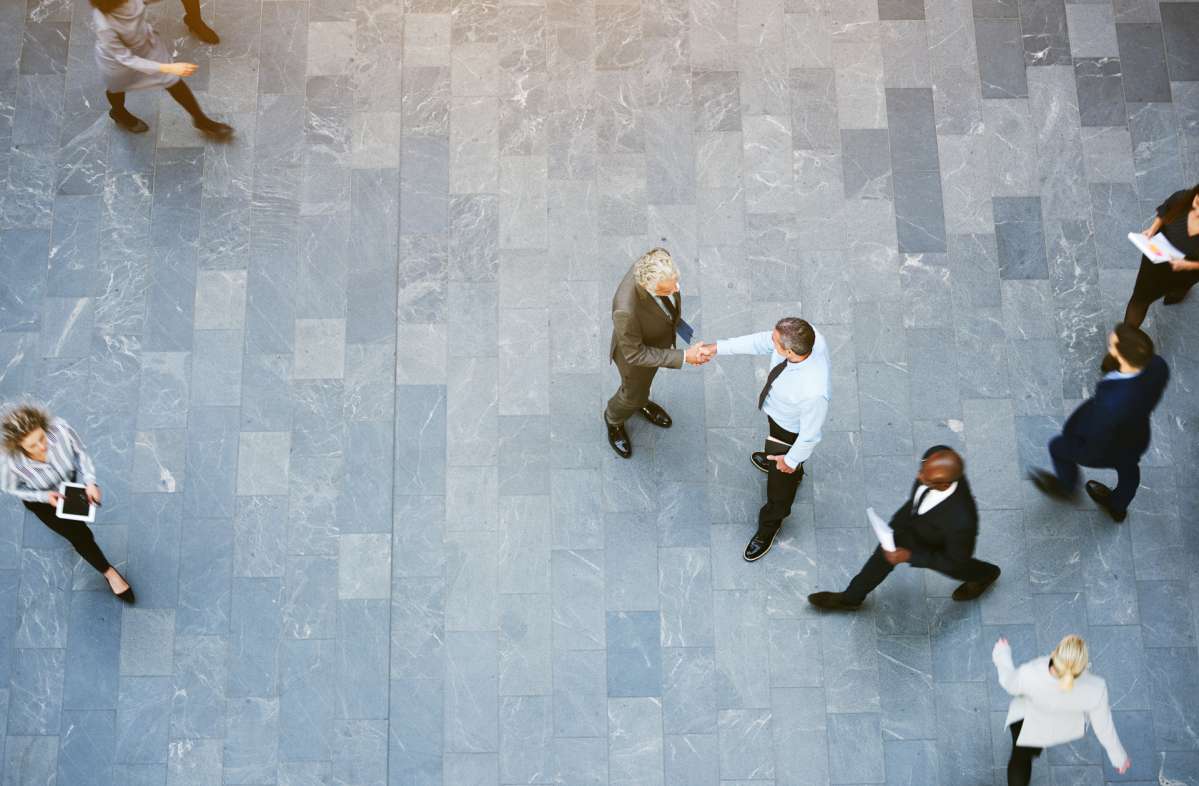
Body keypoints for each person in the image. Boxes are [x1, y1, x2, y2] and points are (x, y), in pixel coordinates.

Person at [808, 446, 1000, 610]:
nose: (919, 475)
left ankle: (986, 574)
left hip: (939, 541)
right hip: (909, 526)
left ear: (944, 484)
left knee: (958, 567)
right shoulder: (935, 457)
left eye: (925, 477)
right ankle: (851, 598)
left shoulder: (961, 520)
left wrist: (909, 556)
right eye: (922, 469)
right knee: (881, 557)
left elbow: (953, 560)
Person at [704, 318, 830, 561]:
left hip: (791, 433)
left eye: (775, 342)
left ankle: (769, 527)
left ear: (790, 352)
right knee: (778, 456)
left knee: (779, 488)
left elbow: (810, 434)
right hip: (779, 416)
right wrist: (717, 347)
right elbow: (760, 341)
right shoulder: (807, 335)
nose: (769, 342)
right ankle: (785, 466)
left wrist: (791, 460)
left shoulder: (813, 391)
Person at [1028, 323, 1168, 522]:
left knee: (1057, 447)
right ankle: (1118, 507)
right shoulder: (1158, 366)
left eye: (1112, 343)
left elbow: (1097, 438)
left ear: (1121, 355)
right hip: (1136, 437)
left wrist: (1081, 449)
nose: (1109, 340)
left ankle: (1067, 487)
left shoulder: (1112, 403)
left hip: (1105, 446)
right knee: (1129, 470)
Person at [0, 405, 134, 603]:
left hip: (69, 485)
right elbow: (13, 489)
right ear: (20, 447)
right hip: (44, 502)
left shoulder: (60, 429)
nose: (42, 447)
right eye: (32, 446)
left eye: (41, 438)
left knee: (80, 528)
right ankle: (109, 573)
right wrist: (44, 497)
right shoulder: (10, 463)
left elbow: (81, 452)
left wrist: (89, 482)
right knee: (80, 536)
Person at [604, 248, 714, 459]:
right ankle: (614, 418)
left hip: (656, 340)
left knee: (644, 386)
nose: (675, 290)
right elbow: (634, 354)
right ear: (647, 286)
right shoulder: (624, 311)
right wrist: (684, 356)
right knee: (631, 394)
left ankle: (642, 402)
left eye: (676, 283)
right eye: (667, 291)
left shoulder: (658, 257)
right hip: (636, 359)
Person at [992, 635, 1131, 786]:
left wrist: (1002, 653)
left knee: (1020, 759)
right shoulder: (1096, 688)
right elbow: (1104, 728)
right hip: (1059, 729)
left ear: (1056, 652)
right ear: (1082, 666)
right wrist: (1119, 758)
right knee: (1028, 753)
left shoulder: (1030, 673)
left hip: (1027, 725)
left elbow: (1009, 683)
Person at [92, 0, 233, 137]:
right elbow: (126, 59)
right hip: (118, 65)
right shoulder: (105, 26)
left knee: (173, 82)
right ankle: (119, 112)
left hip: (145, 46)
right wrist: (167, 67)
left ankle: (201, 120)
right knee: (116, 88)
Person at [1122, 184, 1199, 328]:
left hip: (1187, 268)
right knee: (1140, 298)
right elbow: (1165, 210)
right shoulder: (1182, 198)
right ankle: (1127, 336)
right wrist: (1153, 228)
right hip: (1157, 257)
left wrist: (1187, 265)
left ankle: (1177, 293)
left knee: (1180, 286)